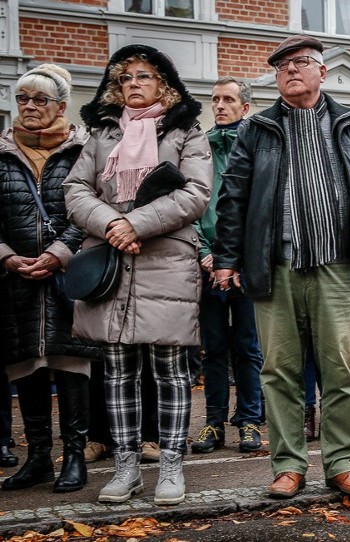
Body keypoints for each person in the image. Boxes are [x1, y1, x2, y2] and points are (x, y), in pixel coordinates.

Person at [213, 35, 350, 499]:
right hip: (275, 267)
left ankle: (342, 463)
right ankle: (289, 465)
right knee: (279, 371)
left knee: (341, 370)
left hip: (339, 267)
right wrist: (227, 259)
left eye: (301, 63)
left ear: (322, 72)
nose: (291, 71)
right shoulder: (256, 130)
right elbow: (232, 197)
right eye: (282, 67)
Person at [64, 44, 212, 505]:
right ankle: (125, 468)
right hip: (111, 259)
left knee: (169, 369)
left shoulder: (186, 131)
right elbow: (75, 189)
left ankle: (170, 467)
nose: (133, 83)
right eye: (125, 77)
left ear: (163, 83)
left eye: (143, 76)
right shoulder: (102, 134)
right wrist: (111, 224)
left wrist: (136, 223)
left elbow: (196, 193)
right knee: (118, 370)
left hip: (166, 258)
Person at [0, 64, 101, 493]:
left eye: (40, 99)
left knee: (70, 362)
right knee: (27, 365)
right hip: (16, 278)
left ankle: (73, 457)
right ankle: (38, 456)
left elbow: (92, 209)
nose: (30, 107)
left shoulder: (83, 150)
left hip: (69, 276)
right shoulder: (2, 152)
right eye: (23, 98)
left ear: (61, 105)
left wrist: (59, 253)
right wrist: (6, 256)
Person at [191, 77, 264, 455]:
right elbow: (191, 206)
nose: (219, 105)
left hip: (246, 267)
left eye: (228, 100)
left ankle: (250, 421)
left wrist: (235, 260)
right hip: (206, 264)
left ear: (245, 107)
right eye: (215, 99)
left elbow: (260, 210)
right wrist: (206, 252)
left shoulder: (256, 146)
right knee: (214, 348)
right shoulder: (198, 148)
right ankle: (213, 423)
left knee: (249, 347)